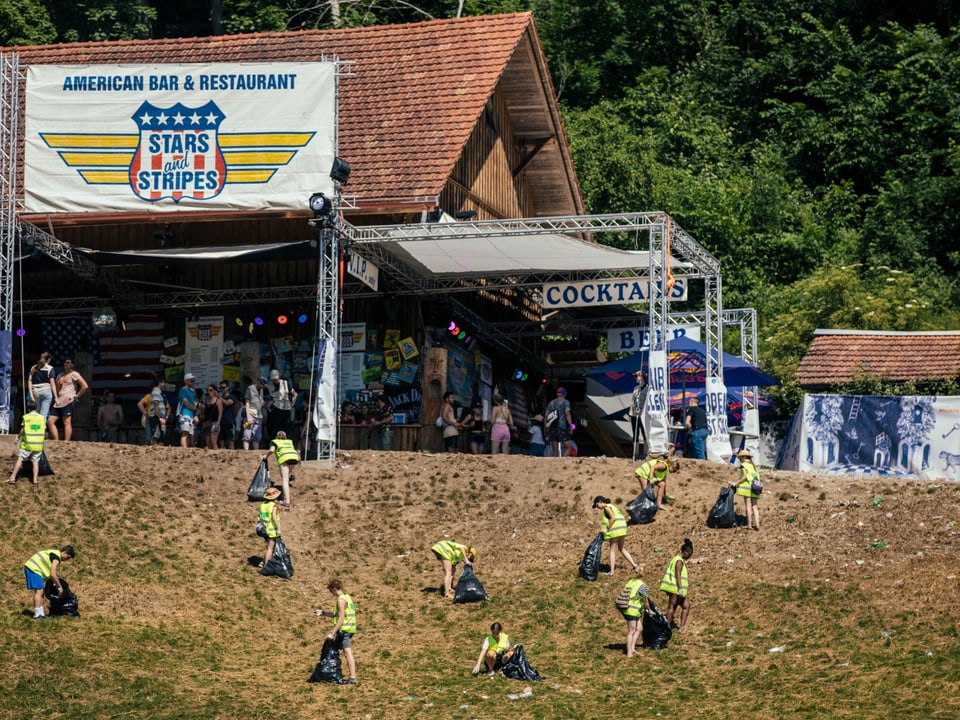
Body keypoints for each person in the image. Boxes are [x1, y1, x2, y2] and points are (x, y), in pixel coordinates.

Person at [592, 496, 640, 577]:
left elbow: (613, 518)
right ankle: (634, 565)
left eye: (596, 505)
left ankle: (611, 572)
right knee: (621, 548)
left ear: (600, 502)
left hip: (615, 531)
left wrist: (607, 529)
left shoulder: (607, 508)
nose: (597, 507)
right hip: (622, 530)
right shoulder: (613, 506)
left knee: (612, 550)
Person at [23, 545, 74, 619]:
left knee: (41, 592)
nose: (67, 560)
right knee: (39, 592)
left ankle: (41, 614)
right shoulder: (56, 557)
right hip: (33, 569)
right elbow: (53, 574)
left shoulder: (53, 553)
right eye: (68, 557)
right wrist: (59, 587)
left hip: (35, 569)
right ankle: (37, 615)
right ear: (65, 553)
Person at [323, 579, 358, 684]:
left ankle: (352, 678)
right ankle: (334, 672)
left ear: (334, 589)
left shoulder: (340, 600)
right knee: (334, 649)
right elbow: (338, 615)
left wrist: (332, 633)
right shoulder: (347, 597)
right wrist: (323, 613)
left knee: (347, 653)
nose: (331, 594)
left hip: (345, 630)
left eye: (330, 591)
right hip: (350, 629)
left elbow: (341, 618)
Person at [7, 399, 46, 485]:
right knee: (35, 462)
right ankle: (35, 480)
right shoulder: (41, 418)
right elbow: (43, 429)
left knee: (20, 459)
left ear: (28, 408)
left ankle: (12, 477)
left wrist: (18, 437)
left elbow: (23, 430)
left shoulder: (26, 417)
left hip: (27, 444)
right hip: (38, 445)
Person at [48, 357, 88, 442]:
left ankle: (66, 441)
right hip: (58, 401)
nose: (66, 364)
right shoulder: (60, 375)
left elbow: (84, 386)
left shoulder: (74, 374)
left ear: (72, 364)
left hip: (68, 400)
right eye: (65, 362)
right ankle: (56, 440)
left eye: (68, 362)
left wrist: (77, 396)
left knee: (66, 421)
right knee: (50, 420)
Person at [659, 538, 693, 632]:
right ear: (686, 552)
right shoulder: (679, 561)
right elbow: (677, 573)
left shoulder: (677, 559)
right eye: (689, 554)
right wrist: (680, 588)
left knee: (686, 606)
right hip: (676, 589)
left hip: (678, 590)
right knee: (672, 608)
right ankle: (666, 628)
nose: (689, 556)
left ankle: (682, 627)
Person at [621, 565, 651, 657]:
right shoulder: (642, 586)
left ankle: (632, 648)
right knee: (632, 630)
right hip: (633, 610)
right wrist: (649, 610)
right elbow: (645, 600)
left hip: (626, 608)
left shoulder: (631, 582)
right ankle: (629, 652)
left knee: (639, 628)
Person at [265, 430, 300, 507]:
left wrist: (266, 456)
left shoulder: (275, 441)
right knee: (287, 476)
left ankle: (287, 501)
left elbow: (271, 450)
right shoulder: (289, 441)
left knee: (285, 480)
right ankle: (285, 495)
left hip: (284, 458)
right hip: (294, 458)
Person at [732, 449, 762, 531]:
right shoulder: (753, 466)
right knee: (755, 507)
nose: (739, 460)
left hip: (747, 488)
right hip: (755, 488)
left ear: (744, 457)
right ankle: (757, 525)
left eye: (740, 458)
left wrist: (736, 483)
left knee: (748, 507)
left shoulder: (743, 465)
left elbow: (744, 476)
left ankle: (749, 525)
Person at [138, 375, 169, 446]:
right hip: (155, 417)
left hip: (159, 418)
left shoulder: (160, 394)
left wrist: (165, 417)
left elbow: (168, 407)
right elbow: (156, 406)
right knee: (154, 437)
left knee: (161, 436)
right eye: (163, 382)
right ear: (159, 383)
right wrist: (146, 413)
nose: (164, 384)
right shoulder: (155, 393)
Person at [267, 369, 297, 440]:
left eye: (276, 379)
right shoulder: (269, 386)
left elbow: (295, 394)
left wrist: (292, 404)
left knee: (286, 429)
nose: (275, 381)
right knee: (275, 429)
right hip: (275, 409)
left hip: (286, 409)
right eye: (273, 379)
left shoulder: (285, 383)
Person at [27, 351, 57, 420]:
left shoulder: (34, 368)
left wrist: (31, 394)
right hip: (46, 390)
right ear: (48, 359)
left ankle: (35, 429)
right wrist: (56, 397)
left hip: (36, 391)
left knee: (36, 412)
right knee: (44, 414)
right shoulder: (50, 368)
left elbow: (29, 381)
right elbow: (53, 384)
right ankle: (41, 429)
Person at [258, 486, 282, 569]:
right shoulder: (274, 505)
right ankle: (266, 566)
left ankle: (263, 562)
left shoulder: (262, 505)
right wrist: (278, 528)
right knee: (270, 549)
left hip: (264, 529)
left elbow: (260, 517)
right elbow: (274, 517)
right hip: (271, 529)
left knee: (269, 547)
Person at [545, 387, 573, 457]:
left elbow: (546, 416)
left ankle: (554, 465)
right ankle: (563, 462)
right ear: (564, 394)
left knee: (555, 450)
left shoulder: (551, 403)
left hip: (552, 428)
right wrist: (571, 427)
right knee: (568, 447)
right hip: (561, 427)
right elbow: (567, 414)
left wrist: (545, 429)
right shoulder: (566, 402)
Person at [628, 370, 649, 459]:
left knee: (645, 434)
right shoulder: (635, 388)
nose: (636, 378)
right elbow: (632, 402)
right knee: (635, 434)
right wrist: (630, 414)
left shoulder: (648, 388)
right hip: (634, 414)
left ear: (642, 377)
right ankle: (635, 453)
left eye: (637, 376)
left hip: (644, 415)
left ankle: (645, 453)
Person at [176, 373, 200, 448]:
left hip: (191, 415)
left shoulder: (192, 392)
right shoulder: (183, 390)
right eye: (191, 380)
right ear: (186, 381)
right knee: (185, 433)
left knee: (190, 434)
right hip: (185, 414)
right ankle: (184, 449)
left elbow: (196, 402)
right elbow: (185, 402)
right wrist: (195, 409)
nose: (193, 382)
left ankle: (188, 449)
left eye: (193, 380)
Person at [243, 376, 265, 450]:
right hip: (251, 413)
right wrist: (248, 416)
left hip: (259, 415)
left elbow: (261, 402)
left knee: (257, 435)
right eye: (262, 384)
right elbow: (247, 403)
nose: (263, 386)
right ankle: (246, 451)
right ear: (258, 382)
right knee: (247, 433)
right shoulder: (250, 389)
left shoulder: (261, 390)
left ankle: (256, 451)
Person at [218, 381, 239, 449]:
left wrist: (219, 398)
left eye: (223, 387)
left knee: (230, 441)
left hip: (230, 422)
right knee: (221, 442)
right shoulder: (220, 398)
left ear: (227, 388)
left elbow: (227, 403)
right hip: (222, 422)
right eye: (220, 388)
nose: (221, 389)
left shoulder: (232, 397)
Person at [202, 384, 224, 449]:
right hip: (207, 422)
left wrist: (218, 423)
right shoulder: (206, 400)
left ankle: (216, 454)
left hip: (215, 421)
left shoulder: (218, 401)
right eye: (207, 390)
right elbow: (203, 413)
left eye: (211, 390)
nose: (209, 392)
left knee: (213, 441)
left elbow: (220, 413)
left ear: (214, 391)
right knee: (208, 441)